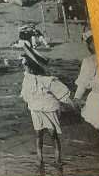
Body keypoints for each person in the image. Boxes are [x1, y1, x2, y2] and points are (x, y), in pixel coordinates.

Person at [18, 39, 72, 168]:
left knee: (53, 133)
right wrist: (27, 103)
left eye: (26, 66)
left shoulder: (47, 80)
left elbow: (60, 92)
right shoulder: (28, 79)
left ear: (32, 67)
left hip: (49, 108)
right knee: (38, 133)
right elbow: (26, 93)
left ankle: (57, 159)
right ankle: (39, 158)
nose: (25, 69)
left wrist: (71, 102)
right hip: (36, 109)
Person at [73, 30, 99, 170]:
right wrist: (77, 97)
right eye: (92, 44)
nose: (95, 46)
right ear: (89, 46)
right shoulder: (89, 62)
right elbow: (83, 81)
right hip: (98, 100)